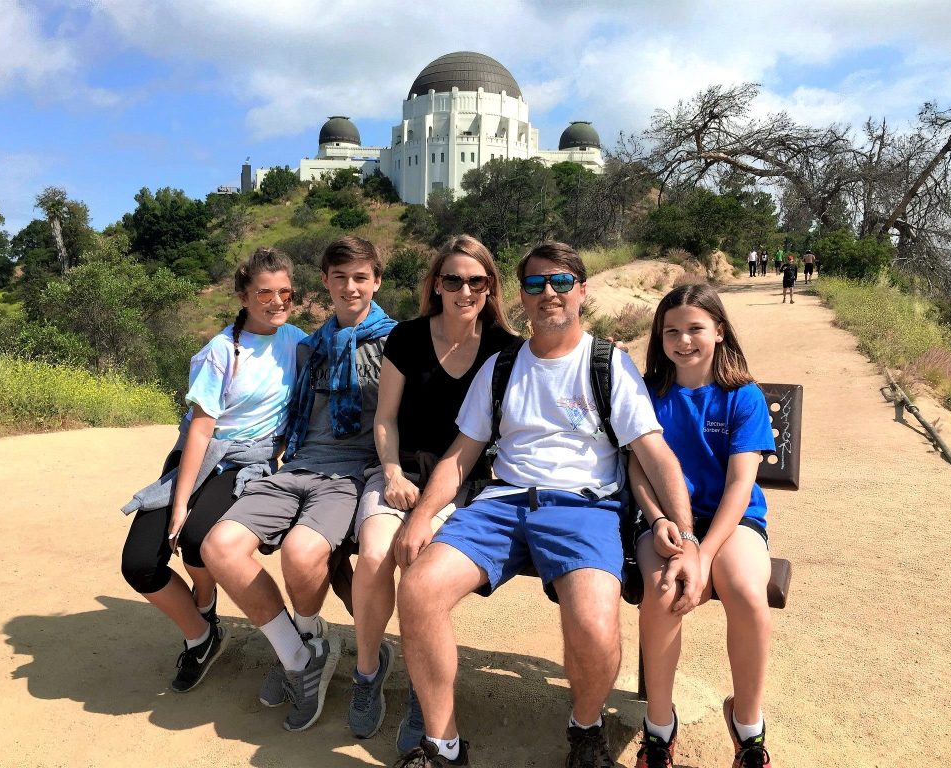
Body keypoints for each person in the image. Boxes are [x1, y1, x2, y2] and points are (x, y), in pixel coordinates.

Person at [394, 242, 698, 768]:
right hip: (503, 503)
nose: (548, 294)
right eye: (535, 285)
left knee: (597, 626)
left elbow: (657, 455)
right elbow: (461, 456)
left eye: (560, 283)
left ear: (582, 291)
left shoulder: (607, 364)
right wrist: (421, 517)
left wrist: (687, 538)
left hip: (584, 507)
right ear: (521, 298)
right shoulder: (501, 366)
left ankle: (585, 728)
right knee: (419, 590)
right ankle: (443, 747)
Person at [202, 235, 396, 732]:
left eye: (360, 277)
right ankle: (304, 652)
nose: (350, 287)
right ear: (326, 283)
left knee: (301, 553)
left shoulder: (398, 342)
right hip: (296, 466)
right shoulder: (310, 345)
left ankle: (312, 650)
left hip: (353, 472)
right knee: (219, 547)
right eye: (339, 277)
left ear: (376, 280)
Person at [350, 235, 519, 750]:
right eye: (453, 279)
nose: (464, 290)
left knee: (418, 562)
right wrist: (393, 473)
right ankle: (367, 670)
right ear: (436, 284)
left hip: (461, 482)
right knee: (376, 554)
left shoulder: (505, 349)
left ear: (490, 287)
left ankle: (422, 693)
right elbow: (385, 418)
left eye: (476, 281)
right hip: (401, 470)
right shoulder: (406, 337)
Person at [120, 247, 306, 692]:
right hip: (199, 457)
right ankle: (201, 633)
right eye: (264, 292)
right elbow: (200, 433)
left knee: (202, 542)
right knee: (140, 563)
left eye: (285, 292)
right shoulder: (220, 352)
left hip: (249, 462)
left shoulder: (298, 342)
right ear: (244, 295)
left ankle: (205, 599)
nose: (276, 301)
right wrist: (179, 502)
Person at [630, 283, 775, 768]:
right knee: (664, 591)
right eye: (672, 331)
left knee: (748, 592)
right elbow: (636, 467)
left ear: (718, 330)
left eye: (695, 328)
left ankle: (748, 728)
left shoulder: (742, 396)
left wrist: (705, 553)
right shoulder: (650, 393)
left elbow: (740, 485)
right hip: (667, 519)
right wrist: (656, 520)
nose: (683, 340)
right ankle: (658, 728)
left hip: (731, 524)